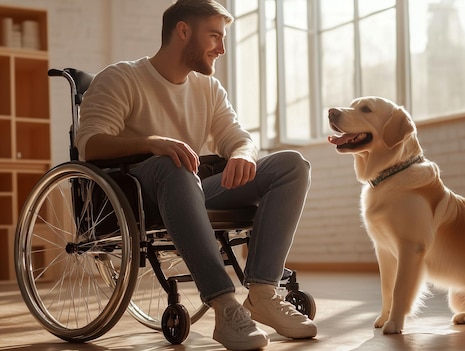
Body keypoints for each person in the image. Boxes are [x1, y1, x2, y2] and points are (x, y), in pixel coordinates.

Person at [75, 0, 316, 349]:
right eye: (214, 36)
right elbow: (90, 145)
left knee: (292, 165)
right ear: (183, 31)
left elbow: (239, 137)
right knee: (175, 166)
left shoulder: (209, 89)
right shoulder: (122, 78)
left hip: (193, 187)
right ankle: (225, 305)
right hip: (140, 197)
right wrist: (153, 143)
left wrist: (243, 154)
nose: (221, 48)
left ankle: (263, 293)